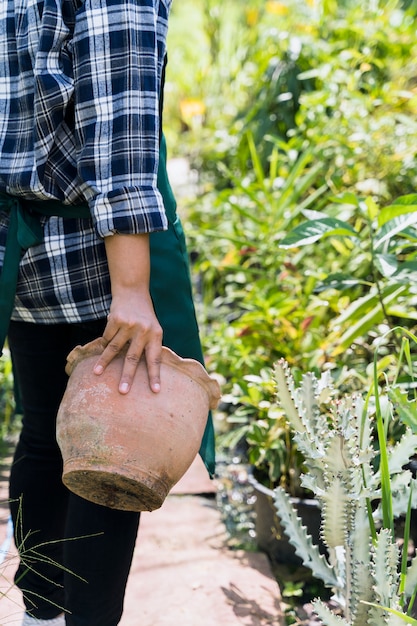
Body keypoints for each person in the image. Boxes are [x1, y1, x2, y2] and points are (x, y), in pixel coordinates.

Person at [0, 1, 215, 625]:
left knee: (44, 432)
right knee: (116, 451)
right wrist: (133, 288)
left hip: (23, 254)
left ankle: (37, 616)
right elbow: (119, 120)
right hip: (92, 255)